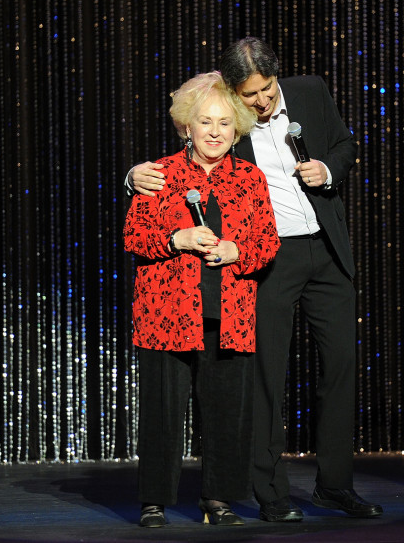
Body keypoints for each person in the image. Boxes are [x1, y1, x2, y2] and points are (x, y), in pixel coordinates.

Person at [126, 38, 383, 522]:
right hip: (267, 261)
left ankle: (335, 487)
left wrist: (329, 169)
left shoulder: (309, 93)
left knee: (341, 368)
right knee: (263, 376)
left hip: (324, 250)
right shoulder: (218, 124)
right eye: (250, 97)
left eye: (266, 91)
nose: (262, 103)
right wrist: (132, 179)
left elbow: (346, 145)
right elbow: (187, 139)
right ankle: (271, 495)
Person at [124, 70, 280, 528]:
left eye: (225, 123)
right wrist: (178, 238)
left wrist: (239, 250)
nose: (215, 132)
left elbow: (268, 242)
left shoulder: (249, 179)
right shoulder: (159, 174)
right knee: (162, 415)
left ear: (238, 129)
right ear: (186, 127)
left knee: (226, 415)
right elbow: (134, 235)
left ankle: (219, 499)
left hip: (228, 314)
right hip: (167, 314)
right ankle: (154, 501)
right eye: (206, 122)